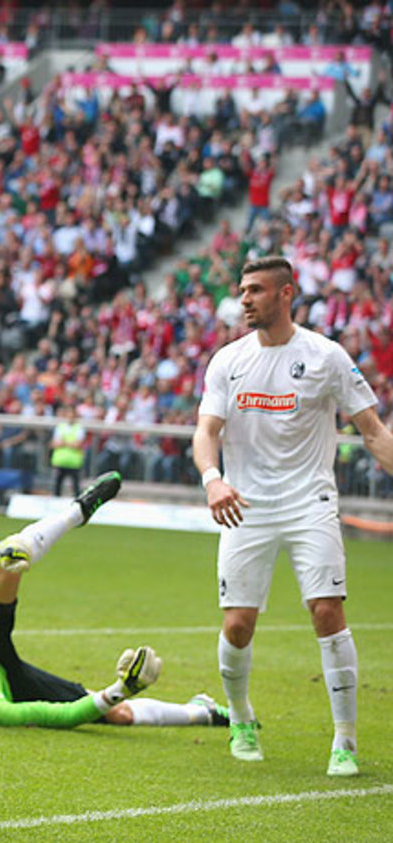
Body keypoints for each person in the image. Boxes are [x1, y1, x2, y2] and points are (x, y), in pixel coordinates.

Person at [192, 256, 393, 777]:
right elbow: (206, 431)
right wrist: (213, 479)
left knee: (327, 611)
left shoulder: (326, 357)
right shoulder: (227, 361)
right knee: (237, 625)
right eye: (242, 290)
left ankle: (344, 740)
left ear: (286, 294)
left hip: (310, 503)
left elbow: (371, 430)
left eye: (256, 290)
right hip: (245, 506)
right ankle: (240, 718)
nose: (244, 299)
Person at [0, 472, 231, 729]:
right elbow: (64, 716)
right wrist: (122, 689)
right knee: (120, 714)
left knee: (11, 556)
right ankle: (203, 711)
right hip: (15, 681)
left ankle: (77, 511)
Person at [49, 403, 85, 498]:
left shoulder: (79, 428)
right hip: (60, 461)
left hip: (73, 462)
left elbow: (78, 444)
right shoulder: (60, 427)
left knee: (76, 487)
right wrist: (70, 443)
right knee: (57, 487)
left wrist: (64, 442)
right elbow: (55, 443)